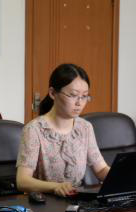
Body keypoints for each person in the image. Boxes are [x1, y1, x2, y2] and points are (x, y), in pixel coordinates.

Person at [16, 63, 110, 197]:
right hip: (45, 202)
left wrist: (125, 176)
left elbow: (101, 169)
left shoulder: (85, 128)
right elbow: (22, 181)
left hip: (77, 201)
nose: (79, 103)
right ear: (53, 93)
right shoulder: (34, 130)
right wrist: (56, 187)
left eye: (84, 96)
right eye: (73, 95)